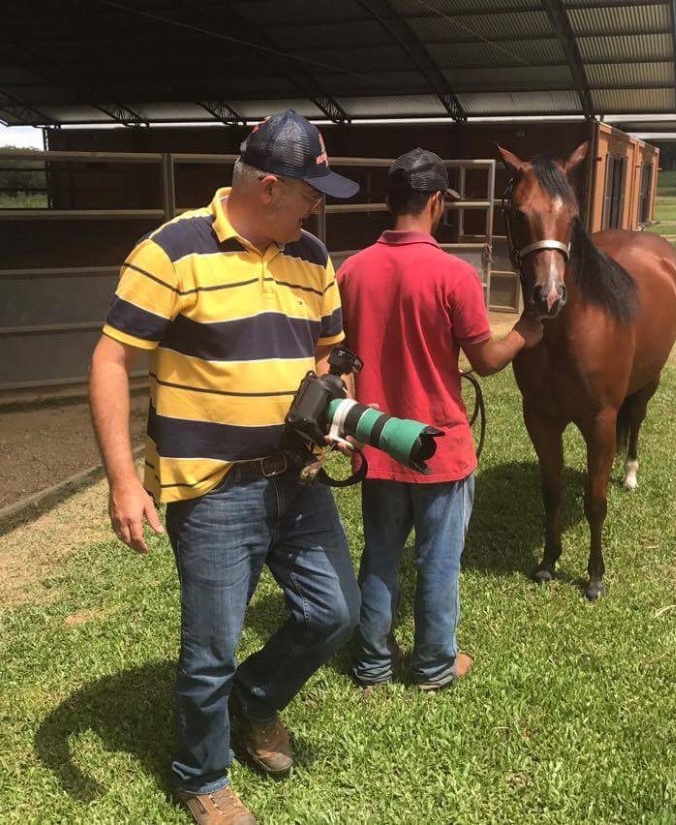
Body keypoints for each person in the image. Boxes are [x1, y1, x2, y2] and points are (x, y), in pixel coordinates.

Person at [88, 111, 361, 825]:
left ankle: (255, 699)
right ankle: (202, 776)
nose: (317, 208)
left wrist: (335, 409)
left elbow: (330, 352)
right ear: (269, 187)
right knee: (210, 648)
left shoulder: (312, 256)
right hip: (212, 490)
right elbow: (111, 360)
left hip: (297, 478)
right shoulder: (172, 251)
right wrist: (123, 480)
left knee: (335, 612)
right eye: (311, 194)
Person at [336, 148, 543, 691]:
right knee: (439, 562)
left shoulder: (351, 271)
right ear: (435, 202)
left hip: (377, 442)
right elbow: (487, 361)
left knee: (380, 556)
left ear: (391, 201)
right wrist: (525, 332)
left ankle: (371, 663)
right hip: (439, 449)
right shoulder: (456, 275)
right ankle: (432, 666)